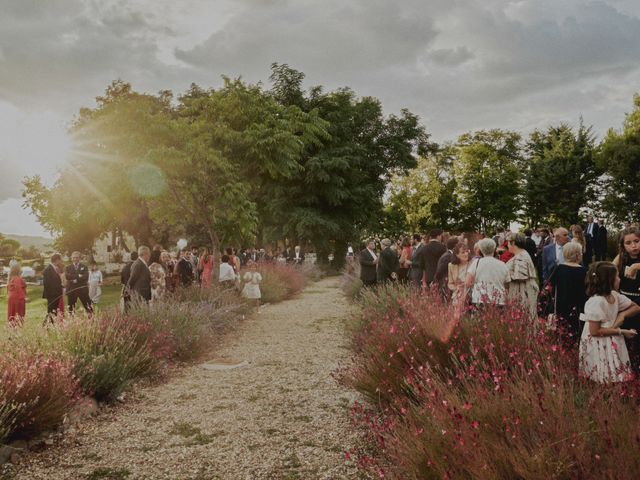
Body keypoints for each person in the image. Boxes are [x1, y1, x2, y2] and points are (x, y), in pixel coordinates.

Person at [579, 262, 640, 383]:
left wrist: (622, 314)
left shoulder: (615, 295)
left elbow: (636, 307)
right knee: (601, 371)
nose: (619, 279)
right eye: (617, 277)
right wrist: (621, 331)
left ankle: (616, 394)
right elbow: (595, 331)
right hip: (599, 342)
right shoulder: (596, 301)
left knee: (615, 372)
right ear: (608, 280)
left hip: (613, 338)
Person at [548, 242, 588, 346]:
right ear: (578, 255)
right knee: (576, 337)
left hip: (561, 308)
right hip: (579, 309)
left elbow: (549, 288)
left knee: (561, 337)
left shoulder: (558, 269)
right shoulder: (584, 272)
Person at [505, 233, 539, 323]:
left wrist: (504, 275)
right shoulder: (521, 255)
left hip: (523, 294)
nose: (507, 245)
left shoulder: (522, 256)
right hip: (520, 293)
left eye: (508, 243)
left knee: (523, 322)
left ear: (513, 243)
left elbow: (521, 276)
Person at [466, 238, 509, 308]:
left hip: (479, 299)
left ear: (481, 250)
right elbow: (507, 285)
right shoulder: (502, 264)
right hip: (499, 301)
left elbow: (468, 282)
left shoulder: (476, 263)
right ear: (494, 249)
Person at [42, 254, 64, 323]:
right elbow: (47, 284)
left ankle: (51, 324)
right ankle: (46, 325)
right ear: (57, 260)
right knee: (51, 311)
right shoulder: (48, 269)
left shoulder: (55, 268)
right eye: (60, 260)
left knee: (53, 311)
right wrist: (53, 294)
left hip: (56, 294)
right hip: (52, 295)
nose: (61, 262)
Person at [448, 242, 471, 307]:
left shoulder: (473, 264)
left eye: (467, 251)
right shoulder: (451, 266)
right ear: (457, 255)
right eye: (463, 252)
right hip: (457, 296)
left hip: (470, 295)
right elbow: (450, 283)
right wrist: (456, 288)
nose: (466, 254)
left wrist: (467, 285)